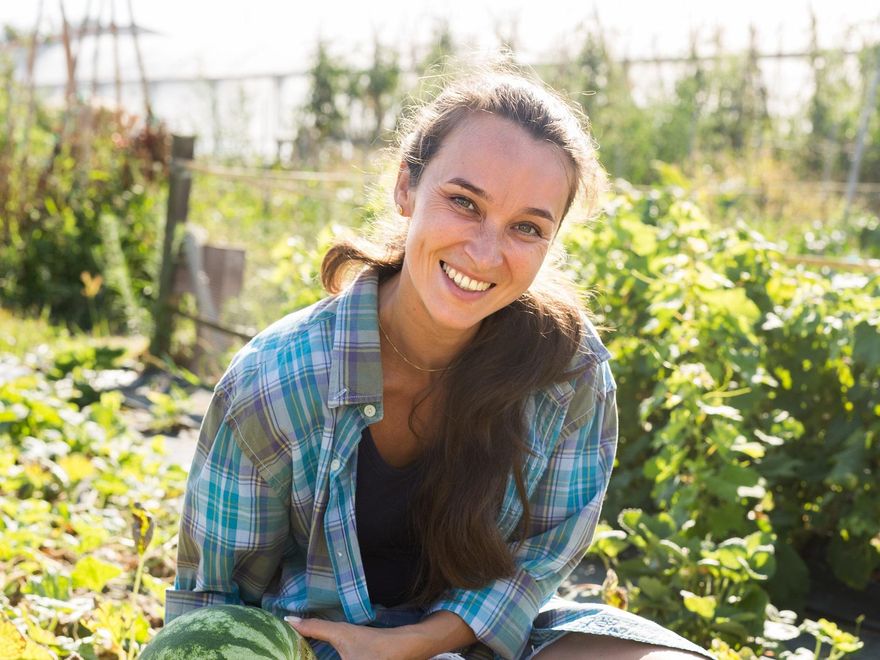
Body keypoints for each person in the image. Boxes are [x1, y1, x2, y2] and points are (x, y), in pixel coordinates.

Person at [165, 64, 710, 660]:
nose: (484, 252)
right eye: (464, 202)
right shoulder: (273, 382)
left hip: (481, 637)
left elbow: (534, 566)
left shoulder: (568, 376)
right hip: (323, 647)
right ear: (407, 187)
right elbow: (213, 604)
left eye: (526, 227)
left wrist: (419, 643)